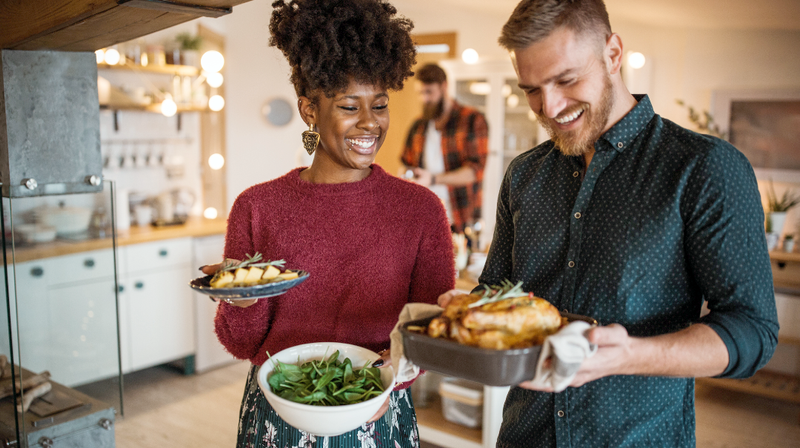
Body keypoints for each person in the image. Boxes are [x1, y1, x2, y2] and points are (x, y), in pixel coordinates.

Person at [439, 0, 779, 446]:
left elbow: (753, 330)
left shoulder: (705, 168)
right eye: (531, 90)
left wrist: (632, 355)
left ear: (613, 54)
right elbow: (497, 291)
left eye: (566, 79)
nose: (550, 106)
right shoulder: (522, 174)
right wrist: (465, 311)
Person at [202, 1, 455, 446]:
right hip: (278, 409)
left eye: (379, 105)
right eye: (348, 106)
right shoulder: (257, 206)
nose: (370, 123)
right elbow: (243, 344)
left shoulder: (420, 209)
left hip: (376, 404)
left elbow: (428, 328)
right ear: (309, 110)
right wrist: (240, 301)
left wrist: (391, 375)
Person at [401, 63, 489, 233]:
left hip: (460, 218)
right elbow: (406, 164)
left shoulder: (472, 120)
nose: (424, 99)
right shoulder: (418, 126)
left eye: (429, 92)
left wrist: (433, 179)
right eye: (420, 93)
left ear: (444, 87)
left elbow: (474, 171)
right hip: (423, 218)